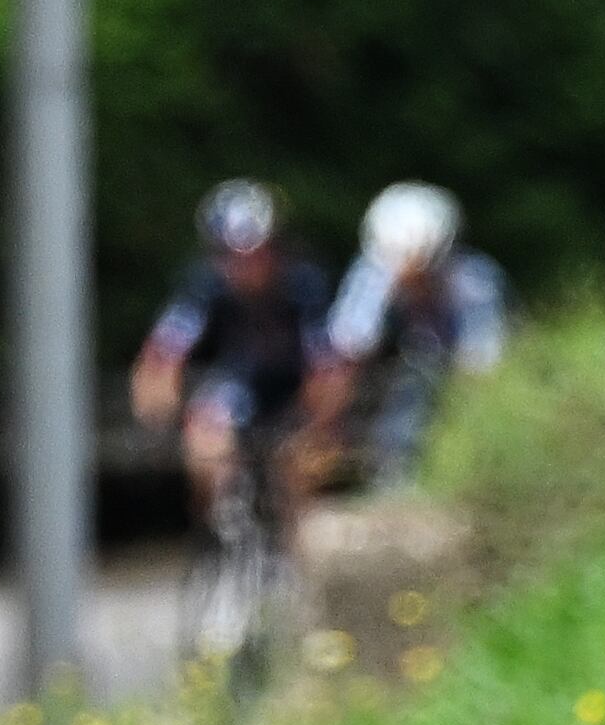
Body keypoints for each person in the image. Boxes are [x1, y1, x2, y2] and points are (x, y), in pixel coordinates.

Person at [129, 179, 332, 547]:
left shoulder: (304, 285)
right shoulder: (204, 285)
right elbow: (163, 353)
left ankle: (297, 552)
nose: (247, 266)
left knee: (304, 459)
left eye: (260, 253)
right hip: (240, 382)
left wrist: (316, 418)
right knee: (207, 430)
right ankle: (216, 526)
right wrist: (158, 413)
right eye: (233, 256)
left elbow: (326, 365)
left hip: (294, 384)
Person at [312, 180, 506, 490]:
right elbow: (348, 347)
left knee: (423, 374)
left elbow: (483, 364)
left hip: (448, 385)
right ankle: (341, 464)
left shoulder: (474, 281)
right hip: (383, 382)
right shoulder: (372, 275)